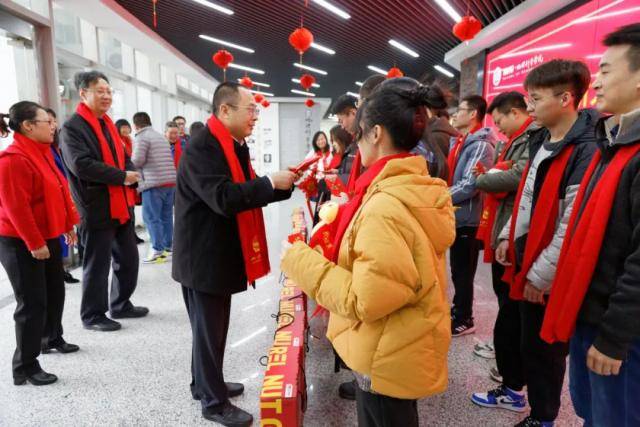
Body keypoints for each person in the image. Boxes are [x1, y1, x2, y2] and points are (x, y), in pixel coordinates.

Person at [281, 77, 455, 427]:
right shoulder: (414, 188)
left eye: (358, 133)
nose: (356, 142)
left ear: (375, 133)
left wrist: (301, 261)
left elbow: (367, 300)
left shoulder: (384, 205)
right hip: (400, 344)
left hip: (386, 352)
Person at [172, 82, 296, 426]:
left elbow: (247, 189)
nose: (255, 117)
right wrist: (270, 183)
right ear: (224, 111)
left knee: (209, 329)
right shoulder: (203, 147)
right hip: (203, 256)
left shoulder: (233, 144)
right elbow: (224, 197)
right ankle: (214, 403)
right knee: (210, 329)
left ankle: (204, 383)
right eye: (250, 110)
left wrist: (282, 186)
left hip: (215, 251)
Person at [540, 24, 640, 426]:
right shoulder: (614, 141)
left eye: (605, 71)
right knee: (592, 414)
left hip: (620, 333)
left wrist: (614, 337)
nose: (594, 82)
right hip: (591, 314)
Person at [495, 59, 597, 427]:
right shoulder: (542, 138)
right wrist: (508, 236)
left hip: (552, 270)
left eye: (535, 99)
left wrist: (542, 275)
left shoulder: (586, 149)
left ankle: (544, 417)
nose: (531, 107)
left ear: (567, 98)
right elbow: (526, 198)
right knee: (529, 344)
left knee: (547, 350)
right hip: (529, 260)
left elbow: (571, 222)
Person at [60, 70, 147, 332]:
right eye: (100, 91)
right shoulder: (72, 128)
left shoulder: (107, 124)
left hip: (121, 203)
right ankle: (92, 314)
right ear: (83, 93)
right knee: (97, 265)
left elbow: (123, 156)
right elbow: (81, 165)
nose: (106, 96)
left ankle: (120, 304)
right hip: (96, 205)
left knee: (129, 258)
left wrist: (130, 173)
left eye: (109, 91)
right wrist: (121, 176)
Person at [0, 102, 80, 386]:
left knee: (54, 293)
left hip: (46, 234)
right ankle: (25, 365)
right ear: (28, 126)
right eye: (46, 121)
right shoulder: (13, 159)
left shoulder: (43, 152)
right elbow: (16, 208)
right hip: (20, 240)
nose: (52, 125)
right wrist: (34, 242)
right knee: (31, 304)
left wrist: (67, 224)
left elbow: (59, 190)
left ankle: (50, 338)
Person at [470, 91, 536, 411]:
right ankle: (512, 383)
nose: (499, 129)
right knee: (508, 313)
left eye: (501, 122)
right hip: (505, 235)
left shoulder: (533, 139)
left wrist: (485, 180)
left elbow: (517, 179)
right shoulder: (516, 140)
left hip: (515, 239)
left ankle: (513, 389)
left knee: (512, 317)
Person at [448, 95, 497, 336]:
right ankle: (458, 310)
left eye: (460, 109)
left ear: (473, 114)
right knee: (457, 270)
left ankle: (465, 318)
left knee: (464, 271)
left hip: (468, 218)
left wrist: (440, 197)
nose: (455, 114)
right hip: (457, 216)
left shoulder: (480, 145)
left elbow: (470, 184)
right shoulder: (462, 142)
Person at [131, 113, 177, 263]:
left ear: (136, 125)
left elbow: (137, 160)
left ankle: (157, 249)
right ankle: (168, 247)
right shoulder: (159, 136)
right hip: (169, 182)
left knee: (151, 217)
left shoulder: (142, 137)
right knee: (166, 216)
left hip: (153, 183)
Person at [46, 108, 80, 284]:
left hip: (65, 197)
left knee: (64, 238)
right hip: (53, 202)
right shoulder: (42, 150)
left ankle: (62, 269)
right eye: (48, 122)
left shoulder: (56, 146)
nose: (52, 126)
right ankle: (60, 270)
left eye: (53, 121)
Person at [116, 118, 144, 244]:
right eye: (123, 127)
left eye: (127, 127)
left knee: (131, 209)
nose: (126, 130)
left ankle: (133, 235)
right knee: (128, 210)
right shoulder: (118, 141)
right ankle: (130, 236)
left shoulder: (130, 141)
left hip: (132, 179)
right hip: (124, 179)